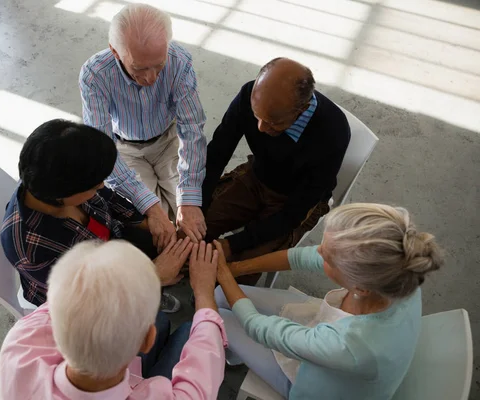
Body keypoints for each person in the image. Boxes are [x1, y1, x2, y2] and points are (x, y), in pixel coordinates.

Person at [213, 203, 444, 399]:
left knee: (218, 319)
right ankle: (234, 352)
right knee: (221, 296)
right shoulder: (400, 272)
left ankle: (228, 352)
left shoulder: (350, 345)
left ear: (360, 288)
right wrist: (235, 268)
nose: (318, 252)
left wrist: (222, 275)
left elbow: (260, 328)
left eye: (327, 258)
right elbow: (303, 257)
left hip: (314, 387)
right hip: (335, 345)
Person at [0, 239, 227, 400]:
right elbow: (206, 359)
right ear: (147, 341)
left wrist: (150, 277)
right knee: (189, 331)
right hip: (139, 382)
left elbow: (72, 296)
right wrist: (204, 292)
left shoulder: (20, 343)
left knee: (161, 321)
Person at [0, 119, 188, 312]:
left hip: (107, 245)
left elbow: (110, 199)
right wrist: (152, 276)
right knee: (155, 324)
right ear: (64, 194)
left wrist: (150, 222)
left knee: (159, 241)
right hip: (85, 297)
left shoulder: (59, 179)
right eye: (95, 184)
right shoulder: (31, 250)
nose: (101, 186)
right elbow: (87, 298)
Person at [201, 57, 351, 284]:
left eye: (273, 123)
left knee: (240, 272)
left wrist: (233, 244)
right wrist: (198, 208)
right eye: (256, 116)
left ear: (301, 110)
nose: (260, 128)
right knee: (194, 230)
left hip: (297, 200)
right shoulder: (249, 94)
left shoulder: (332, 133)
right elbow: (216, 154)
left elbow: (292, 214)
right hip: (257, 175)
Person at [80, 3, 208, 248]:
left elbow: (192, 128)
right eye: (139, 68)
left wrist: (190, 200)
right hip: (124, 148)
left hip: (168, 139)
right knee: (155, 228)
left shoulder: (179, 62)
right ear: (115, 52)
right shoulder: (94, 75)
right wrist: (152, 208)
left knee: (193, 220)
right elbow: (102, 148)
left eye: (159, 65)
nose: (151, 79)